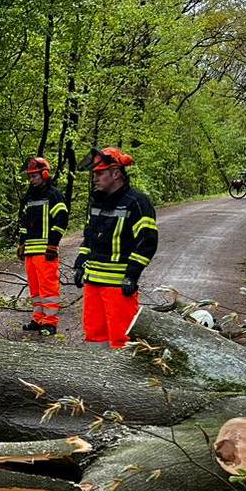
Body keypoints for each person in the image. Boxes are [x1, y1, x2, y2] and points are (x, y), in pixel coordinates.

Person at [73, 148, 158, 349]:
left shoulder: (137, 202)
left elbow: (148, 242)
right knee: (94, 336)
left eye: (99, 174)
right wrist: (80, 264)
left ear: (116, 173)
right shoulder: (98, 202)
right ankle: (97, 376)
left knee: (122, 338)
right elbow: (89, 238)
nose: (95, 179)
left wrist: (132, 275)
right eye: (94, 174)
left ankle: (124, 380)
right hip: (93, 282)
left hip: (118, 286)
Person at [18, 157, 69, 335]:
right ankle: (38, 318)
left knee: (48, 288)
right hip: (31, 251)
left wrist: (52, 245)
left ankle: (50, 322)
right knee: (35, 288)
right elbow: (24, 222)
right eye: (29, 176)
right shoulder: (30, 197)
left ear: (44, 174)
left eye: (34, 176)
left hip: (45, 250)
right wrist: (22, 243)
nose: (31, 180)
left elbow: (61, 220)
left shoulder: (54, 195)